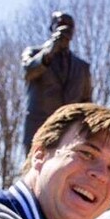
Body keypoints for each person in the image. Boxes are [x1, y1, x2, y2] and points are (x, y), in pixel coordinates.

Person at [22, 11, 92, 153]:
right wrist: (51, 49)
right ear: (51, 27)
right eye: (60, 24)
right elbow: (29, 71)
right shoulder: (34, 53)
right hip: (38, 126)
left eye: (69, 26)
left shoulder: (82, 67)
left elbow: (87, 102)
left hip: (69, 130)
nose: (64, 29)